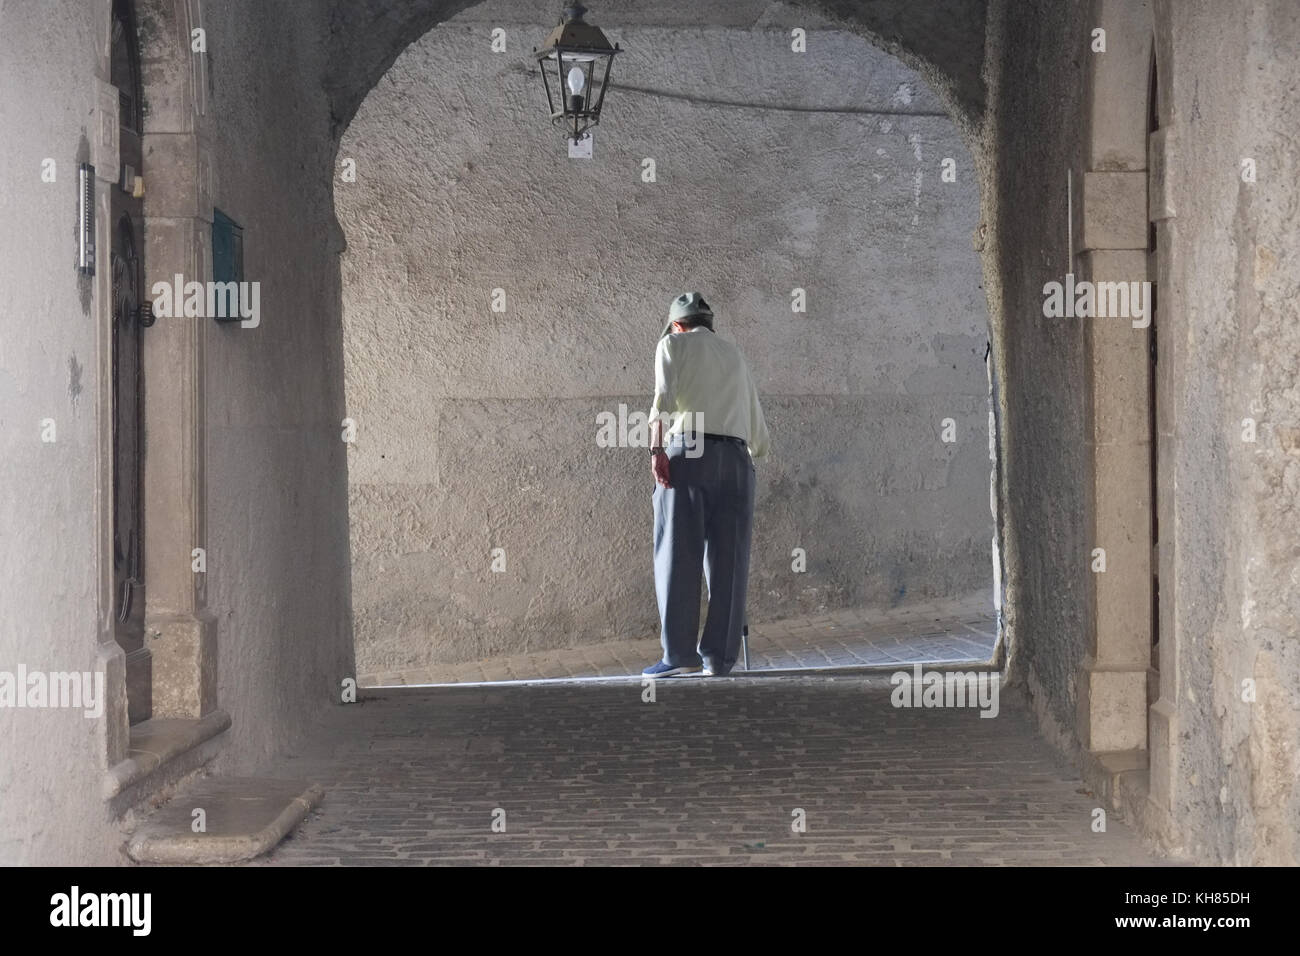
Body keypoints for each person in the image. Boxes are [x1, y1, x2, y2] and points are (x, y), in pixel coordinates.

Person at [643, 292, 770, 678]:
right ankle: (719, 658)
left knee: (677, 554)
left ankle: (679, 655)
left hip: (690, 453)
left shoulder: (673, 343)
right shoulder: (734, 354)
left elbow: (662, 399)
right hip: (736, 459)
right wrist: (753, 457)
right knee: (730, 562)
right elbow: (755, 418)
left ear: (677, 324)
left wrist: (656, 451)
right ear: (709, 324)